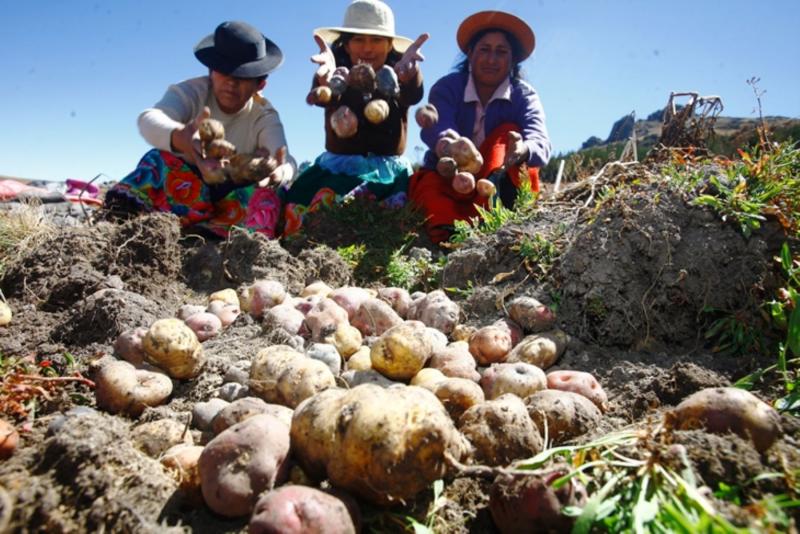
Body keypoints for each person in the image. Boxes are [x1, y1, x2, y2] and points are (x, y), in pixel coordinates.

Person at [104, 21, 296, 238]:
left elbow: (284, 159)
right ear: (211, 71)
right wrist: (180, 137)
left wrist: (278, 171)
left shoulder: (264, 115)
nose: (231, 82)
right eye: (224, 72)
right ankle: (121, 227)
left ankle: (217, 243)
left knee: (271, 193)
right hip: (185, 190)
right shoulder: (192, 92)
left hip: (232, 200)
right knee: (157, 160)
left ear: (260, 85)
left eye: (242, 77)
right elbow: (149, 119)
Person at [280, 0, 428, 236]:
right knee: (312, 209)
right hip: (339, 168)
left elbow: (413, 94)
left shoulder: (399, 73)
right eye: (359, 39)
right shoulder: (336, 74)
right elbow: (324, 96)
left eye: (377, 40)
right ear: (346, 46)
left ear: (390, 45)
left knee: (399, 218)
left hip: (388, 173)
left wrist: (411, 75)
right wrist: (323, 83)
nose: (367, 48)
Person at [409, 11, 552, 244]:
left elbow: (541, 141)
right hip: (449, 176)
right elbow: (438, 124)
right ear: (470, 53)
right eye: (484, 49)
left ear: (512, 59)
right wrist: (450, 146)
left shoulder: (524, 96)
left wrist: (522, 149)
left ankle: (498, 217)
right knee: (428, 187)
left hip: (499, 180)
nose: (491, 59)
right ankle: (448, 233)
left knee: (508, 132)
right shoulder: (447, 87)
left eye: (501, 52)